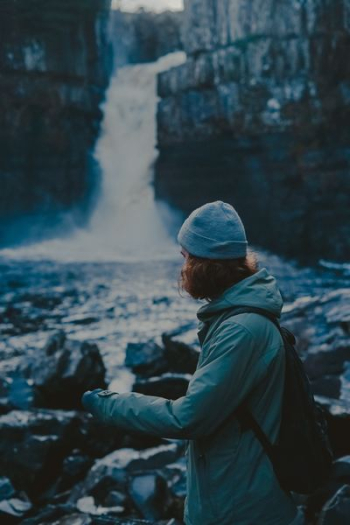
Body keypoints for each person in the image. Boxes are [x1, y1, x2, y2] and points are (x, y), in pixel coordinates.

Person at [82, 201, 304, 525]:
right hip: (236, 501)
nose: (181, 265)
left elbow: (189, 418)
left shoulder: (241, 330)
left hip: (242, 512)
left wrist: (109, 405)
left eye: (185, 256)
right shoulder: (235, 320)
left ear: (205, 264)